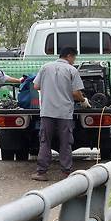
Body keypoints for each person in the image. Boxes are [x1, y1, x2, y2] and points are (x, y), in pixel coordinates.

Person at [31, 47, 91, 181]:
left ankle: (41, 172)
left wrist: (50, 87)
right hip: (64, 113)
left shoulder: (45, 67)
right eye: (73, 58)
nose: (73, 61)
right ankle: (66, 172)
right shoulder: (71, 70)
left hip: (47, 111)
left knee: (45, 141)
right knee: (65, 142)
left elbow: (36, 86)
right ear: (69, 56)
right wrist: (83, 100)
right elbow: (76, 93)